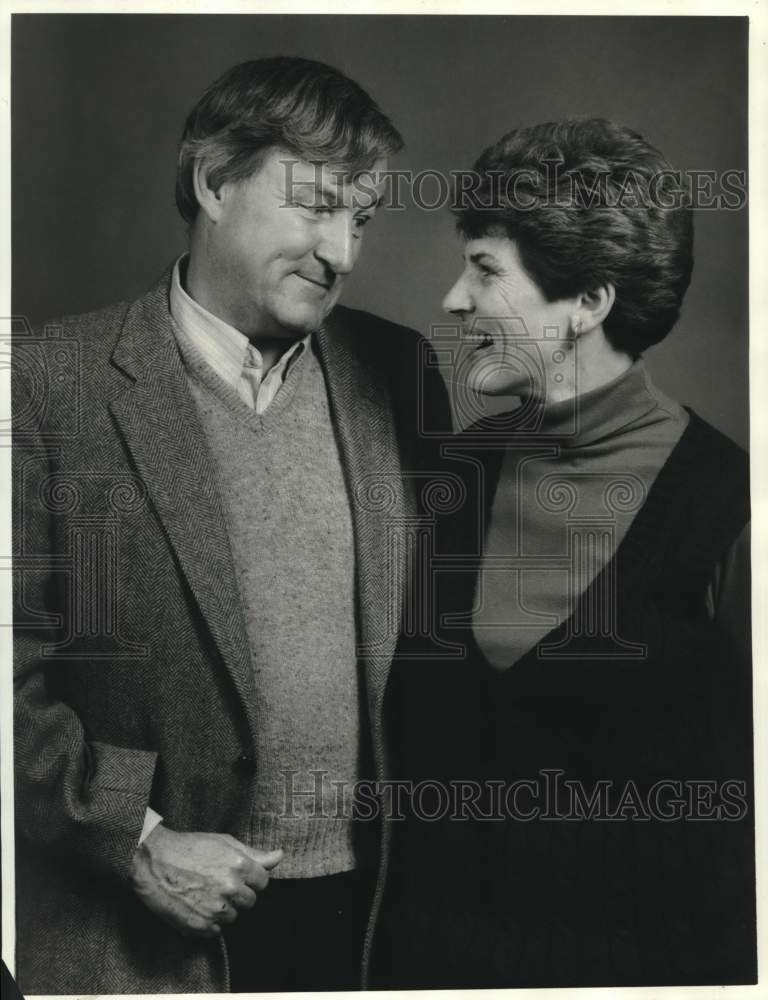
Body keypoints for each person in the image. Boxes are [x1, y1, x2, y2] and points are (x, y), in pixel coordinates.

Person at [12, 56, 450, 995]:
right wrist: (136, 841)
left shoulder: (400, 373)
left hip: (365, 933)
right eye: (317, 206)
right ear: (214, 181)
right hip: (141, 940)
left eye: (362, 219)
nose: (344, 253)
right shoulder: (45, 382)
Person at [381, 118, 754, 988]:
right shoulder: (456, 476)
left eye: (484, 271)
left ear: (589, 300)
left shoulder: (732, 509)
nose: (453, 301)